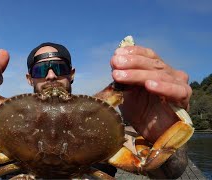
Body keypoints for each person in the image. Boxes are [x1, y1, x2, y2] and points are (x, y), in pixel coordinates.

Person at [24, 42, 191, 178]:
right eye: (40, 70)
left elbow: (168, 172)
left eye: (60, 68)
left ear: (72, 74)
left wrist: (160, 134)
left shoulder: (100, 127)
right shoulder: (8, 125)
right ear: (29, 79)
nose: (51, 76)